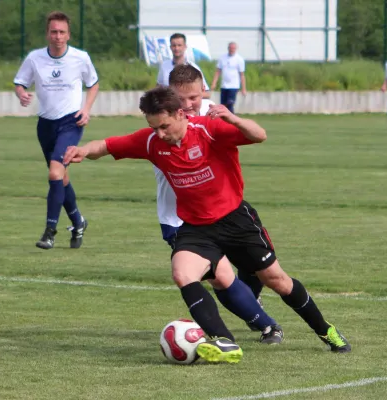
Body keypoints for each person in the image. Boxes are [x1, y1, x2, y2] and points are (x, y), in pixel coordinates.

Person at [63, 86, 351, 362]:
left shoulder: (208, 130)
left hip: (236, 221)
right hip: (197, 228)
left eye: (164, 126)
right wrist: (83, 151)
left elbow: (259, 135)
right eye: (154, 128)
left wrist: (233, 118)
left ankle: (326, 331)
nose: (159, 134)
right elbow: (106, 145)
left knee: (277, 280)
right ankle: (225, 342)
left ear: (180, 114)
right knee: (182, 273)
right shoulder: (151, 142)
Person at [166, 64, 279, 342]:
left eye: (194, 97)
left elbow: (255, 136)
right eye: (181, 99)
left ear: (204, 91)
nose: (189, 105)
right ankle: (263, 325)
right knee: (218, 275)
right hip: (177, 216)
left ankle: (253, 311)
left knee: (253, 268)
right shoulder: (164, 119)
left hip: (226, 209)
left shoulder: (217, 116)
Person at [13, 11, 99, 249]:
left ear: (68, 35)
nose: (58, 36)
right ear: (47, 34)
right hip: (45, 125)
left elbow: (93, 84)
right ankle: (78, 221)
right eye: (54, 32)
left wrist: (86, 109)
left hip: (71, 123)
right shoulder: (34, 58)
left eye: (62, 32)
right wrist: (21, 94)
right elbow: (20, 82)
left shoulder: (80, 58)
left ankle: (50, 231)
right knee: (61, 178)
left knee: (54, 174)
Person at [156, 33, 210, 98]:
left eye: (179, 45)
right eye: (174, 45)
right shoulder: (164, 66)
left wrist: (187, 96)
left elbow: (207, 93)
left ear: (185, 47)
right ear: (170, 47)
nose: (176, 48)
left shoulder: (193, 68)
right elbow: (158, 87)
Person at [210, 42, 246, 114]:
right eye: (230, 48)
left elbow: (242, 75)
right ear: (228, 48)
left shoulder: (239, 59)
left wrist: (243, 88)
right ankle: (223, 122)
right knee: (223, 106)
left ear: (236, 49)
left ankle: (232, 121)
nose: (232, 50)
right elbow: (218, 71)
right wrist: (214, 83)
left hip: (234, 86)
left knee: (230, 104)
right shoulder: (222, 58)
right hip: (224, 85)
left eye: (233, 48)